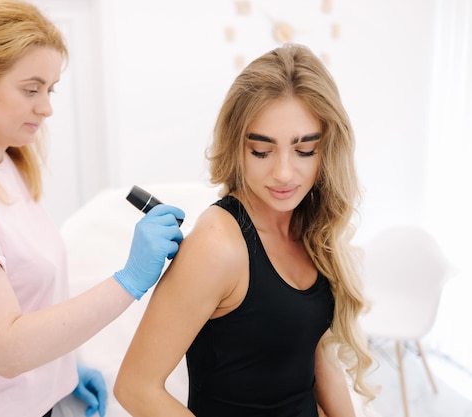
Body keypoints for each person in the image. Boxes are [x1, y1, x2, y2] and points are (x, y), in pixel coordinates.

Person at [0, 1, 184, 416]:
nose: (46, 107)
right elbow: (6, 348)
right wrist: (130, 279)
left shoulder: (4, 162)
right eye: (31, 89)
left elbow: (23, 297)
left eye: (50, 89)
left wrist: (65, 370)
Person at [114, 44, 378, 417]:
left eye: (304, 151)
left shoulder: (310, 226)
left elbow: (315, 352)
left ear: (327, 149)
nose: (284, 173)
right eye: (261, 151)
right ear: (237, 146)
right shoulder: (218, 246)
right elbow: (136, 388)